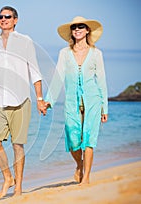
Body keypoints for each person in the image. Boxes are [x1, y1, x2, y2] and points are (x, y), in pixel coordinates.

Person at [0, 6, 47, 199]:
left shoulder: (25, 41)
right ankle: (7, 177)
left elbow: (35, 71)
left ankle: (18, 188)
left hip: (20, 100)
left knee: (17, 145)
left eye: (7, 17)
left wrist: (39, 99)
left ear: (16, 20)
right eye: (0, 17)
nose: (3, 19)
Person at [45, 16, 108, 185]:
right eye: (74, 27)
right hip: (72, 101)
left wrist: (105, 108)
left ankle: (86, 177)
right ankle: (79, 164)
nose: (77, 29)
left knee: (89, 138)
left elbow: (101, 80)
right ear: (71, 32)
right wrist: (48, 101)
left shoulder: (96, 53)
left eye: (81, 26)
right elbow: (58, 77)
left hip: (93, 100)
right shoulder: (64, 53)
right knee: (73, 139)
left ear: (87, 30)